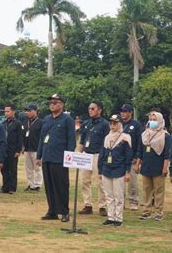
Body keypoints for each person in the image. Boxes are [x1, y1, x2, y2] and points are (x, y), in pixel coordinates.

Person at [37, 94, 76, 222]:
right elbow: (42, 139)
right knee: (49, 186)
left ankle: (64, 212)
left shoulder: (67, 120)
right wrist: (39, 155)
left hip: (60, 158)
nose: (52, 104)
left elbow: (71, 140)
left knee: (61, 186)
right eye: (51, 102)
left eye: (55, 102)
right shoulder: (47, 119)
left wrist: (69, 157)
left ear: (61, 105)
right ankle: (52, 210)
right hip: (47, 157)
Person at [98, 114, 132, 227]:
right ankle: (110, 217)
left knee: (118, 195)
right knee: (108, 195)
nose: (112, 125)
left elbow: (128, 156)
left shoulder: (125, 138)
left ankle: (118, 218)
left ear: (119, 124)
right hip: (106, 169)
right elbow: (102, 155)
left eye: (115, 123)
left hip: (119, 169)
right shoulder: (107, 138)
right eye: (111, 123)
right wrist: (100, 170)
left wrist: (127, 171)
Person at [138, 112, 171, 221]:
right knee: (147, 190)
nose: (152, 122)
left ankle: (158, 212)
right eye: (151, 119)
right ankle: (147, 211)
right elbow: (141, 151)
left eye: (154, 120)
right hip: (146, 166)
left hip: (158, 166)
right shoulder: (145, 134)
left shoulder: (165, 135)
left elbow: (167, 154)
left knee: (158, 191)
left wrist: (165, 168)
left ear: (160, 121)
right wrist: (139, 163)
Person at [79, 101, 110, 216]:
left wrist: (105, 156)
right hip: (86, 154)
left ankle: (103, 206)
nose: (90, 110)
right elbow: (82, 140)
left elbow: (107, 142)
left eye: (93, 108)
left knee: (101, 182)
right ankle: (88, 205)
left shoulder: (105, 124)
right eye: (89, 108)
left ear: (99, 110)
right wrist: (78, 154)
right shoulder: (86, 123)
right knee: (84, 181)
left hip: (98, 155)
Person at [120, 104, 142, 211]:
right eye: (122, 112)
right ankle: (121, 201)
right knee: (120, 181)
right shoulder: (119, 125)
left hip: (132, 157)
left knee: (132, 181)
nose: (123, 113)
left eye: (125, 111)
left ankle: (134, 201)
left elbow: (139, 142)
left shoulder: (136, 125)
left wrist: (137, 156)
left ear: (130, 113)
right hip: (120, 157)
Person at [1, 103, 23, 194]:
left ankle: (12, 188)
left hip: (13, 149)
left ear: (13, 112)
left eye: (8, 111)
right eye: (5, 111)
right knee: (4, 169)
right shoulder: (3, 123)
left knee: (12, 169)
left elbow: (20, 138)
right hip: (4, 149)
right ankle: (5, 187)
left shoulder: (17, 123)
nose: (6, 113)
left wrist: (18, 150)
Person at [23, 104, 43, 192]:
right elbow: (23, 135)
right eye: (26, 111)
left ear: (35, 111)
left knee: (37, 168)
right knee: (28, 168)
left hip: (36, 148)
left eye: (29, 110)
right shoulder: (25, 122)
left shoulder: (40, 122)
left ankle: (37, 185)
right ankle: (31, 184)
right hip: (27, 148)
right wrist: (23, 146)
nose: (27, 112)